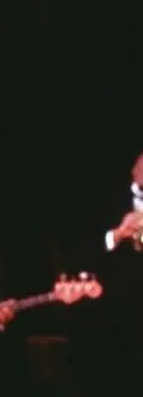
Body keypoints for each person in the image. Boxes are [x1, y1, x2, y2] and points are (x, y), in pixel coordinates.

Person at [67, 152, 143, 394]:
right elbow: (83, 250)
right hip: (116, 309)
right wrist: (118, 234)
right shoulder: (109, 203)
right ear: (134, 169)